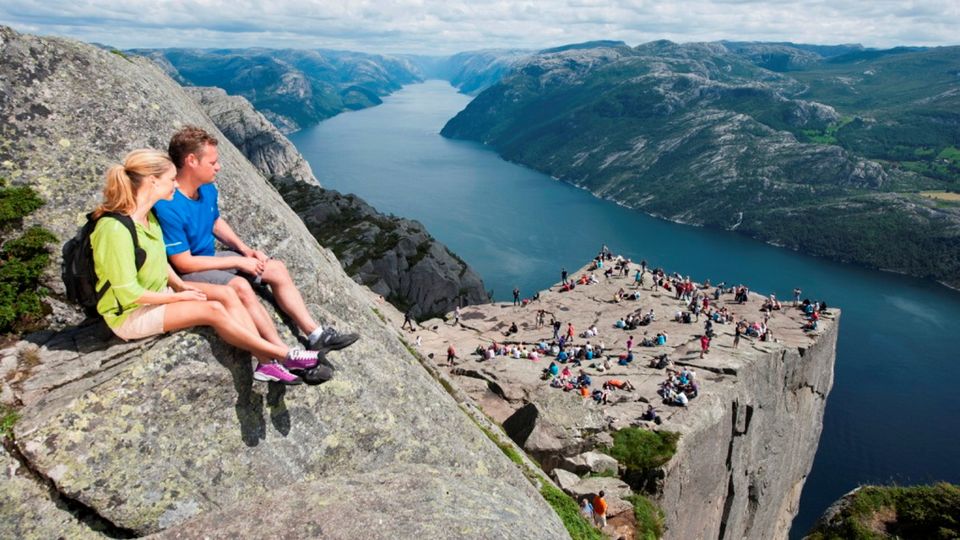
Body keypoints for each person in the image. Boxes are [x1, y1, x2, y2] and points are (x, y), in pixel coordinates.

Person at [90, 149, 325, 385]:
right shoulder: (114, 229)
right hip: (130, 314)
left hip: (159, 294)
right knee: (213, 310)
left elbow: (159, 261)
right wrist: (178, 298)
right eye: (171, 179)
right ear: (153, 181)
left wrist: (180, 286)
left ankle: (266, 364)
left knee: (228, 292)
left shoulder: (147, 218)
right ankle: (282, 355)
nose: (175, 184)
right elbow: (127, 292)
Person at [154, 126, 358, 354]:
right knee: (241, 286)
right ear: (191, 160)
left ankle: (316, 335)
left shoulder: (206, 189)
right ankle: (282, 354)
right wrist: (239, 262)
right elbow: (184, 263)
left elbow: (214, 222)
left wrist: (245, 250)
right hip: (190, 271)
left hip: (210, 258)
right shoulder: (168, 204)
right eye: (212, 163)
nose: (218, 167)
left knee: (276, 269)